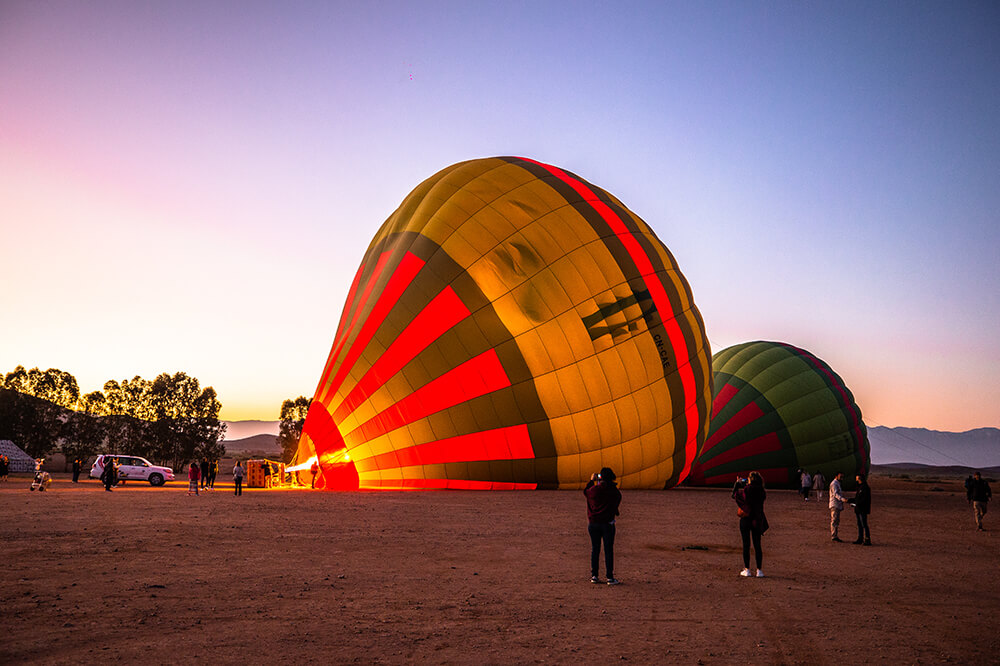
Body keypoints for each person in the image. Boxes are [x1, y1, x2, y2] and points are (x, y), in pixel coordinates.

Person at [584, 467, 622, 585]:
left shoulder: (594, 490)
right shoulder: (615, 492)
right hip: (608, 525)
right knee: (608, 550)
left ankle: (594, 575)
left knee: (595, 550)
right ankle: (610, 577)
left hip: (593, 524)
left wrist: (592, 481)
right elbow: (617, 502)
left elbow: (586, 491)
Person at [733, 471, 768, 577]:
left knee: (746, 545)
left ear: (750, 480)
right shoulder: (762, 491)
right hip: (757, 519)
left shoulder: (747, 490)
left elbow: (735, 495)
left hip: (746, 519)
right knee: (757, 545)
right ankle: (759, 571)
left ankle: (747, 570)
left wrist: (737, 484)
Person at [849, 474, 872, 545]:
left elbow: (864, 499)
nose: (856, 479)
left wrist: (856, 503)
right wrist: (850, 500)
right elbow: (857, 498)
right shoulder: (860, 487)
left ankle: (867, 539)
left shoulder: (865, 488)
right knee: (859, 524)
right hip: (858, 509)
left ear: (859, 479)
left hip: (862, 509)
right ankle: (860, 539)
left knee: (864, 524)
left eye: (857, 478)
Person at [829, 472, 849, 542]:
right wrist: (842, 499)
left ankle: (835, 535)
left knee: (836, 521)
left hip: (837, 505)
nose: (842, 478)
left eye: (842, 477)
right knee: (834, 520)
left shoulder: (838, 483)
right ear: (836, 476)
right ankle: (834, 536)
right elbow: (835, 494)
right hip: (834, 504)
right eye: (840, 476)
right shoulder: (834, 484)